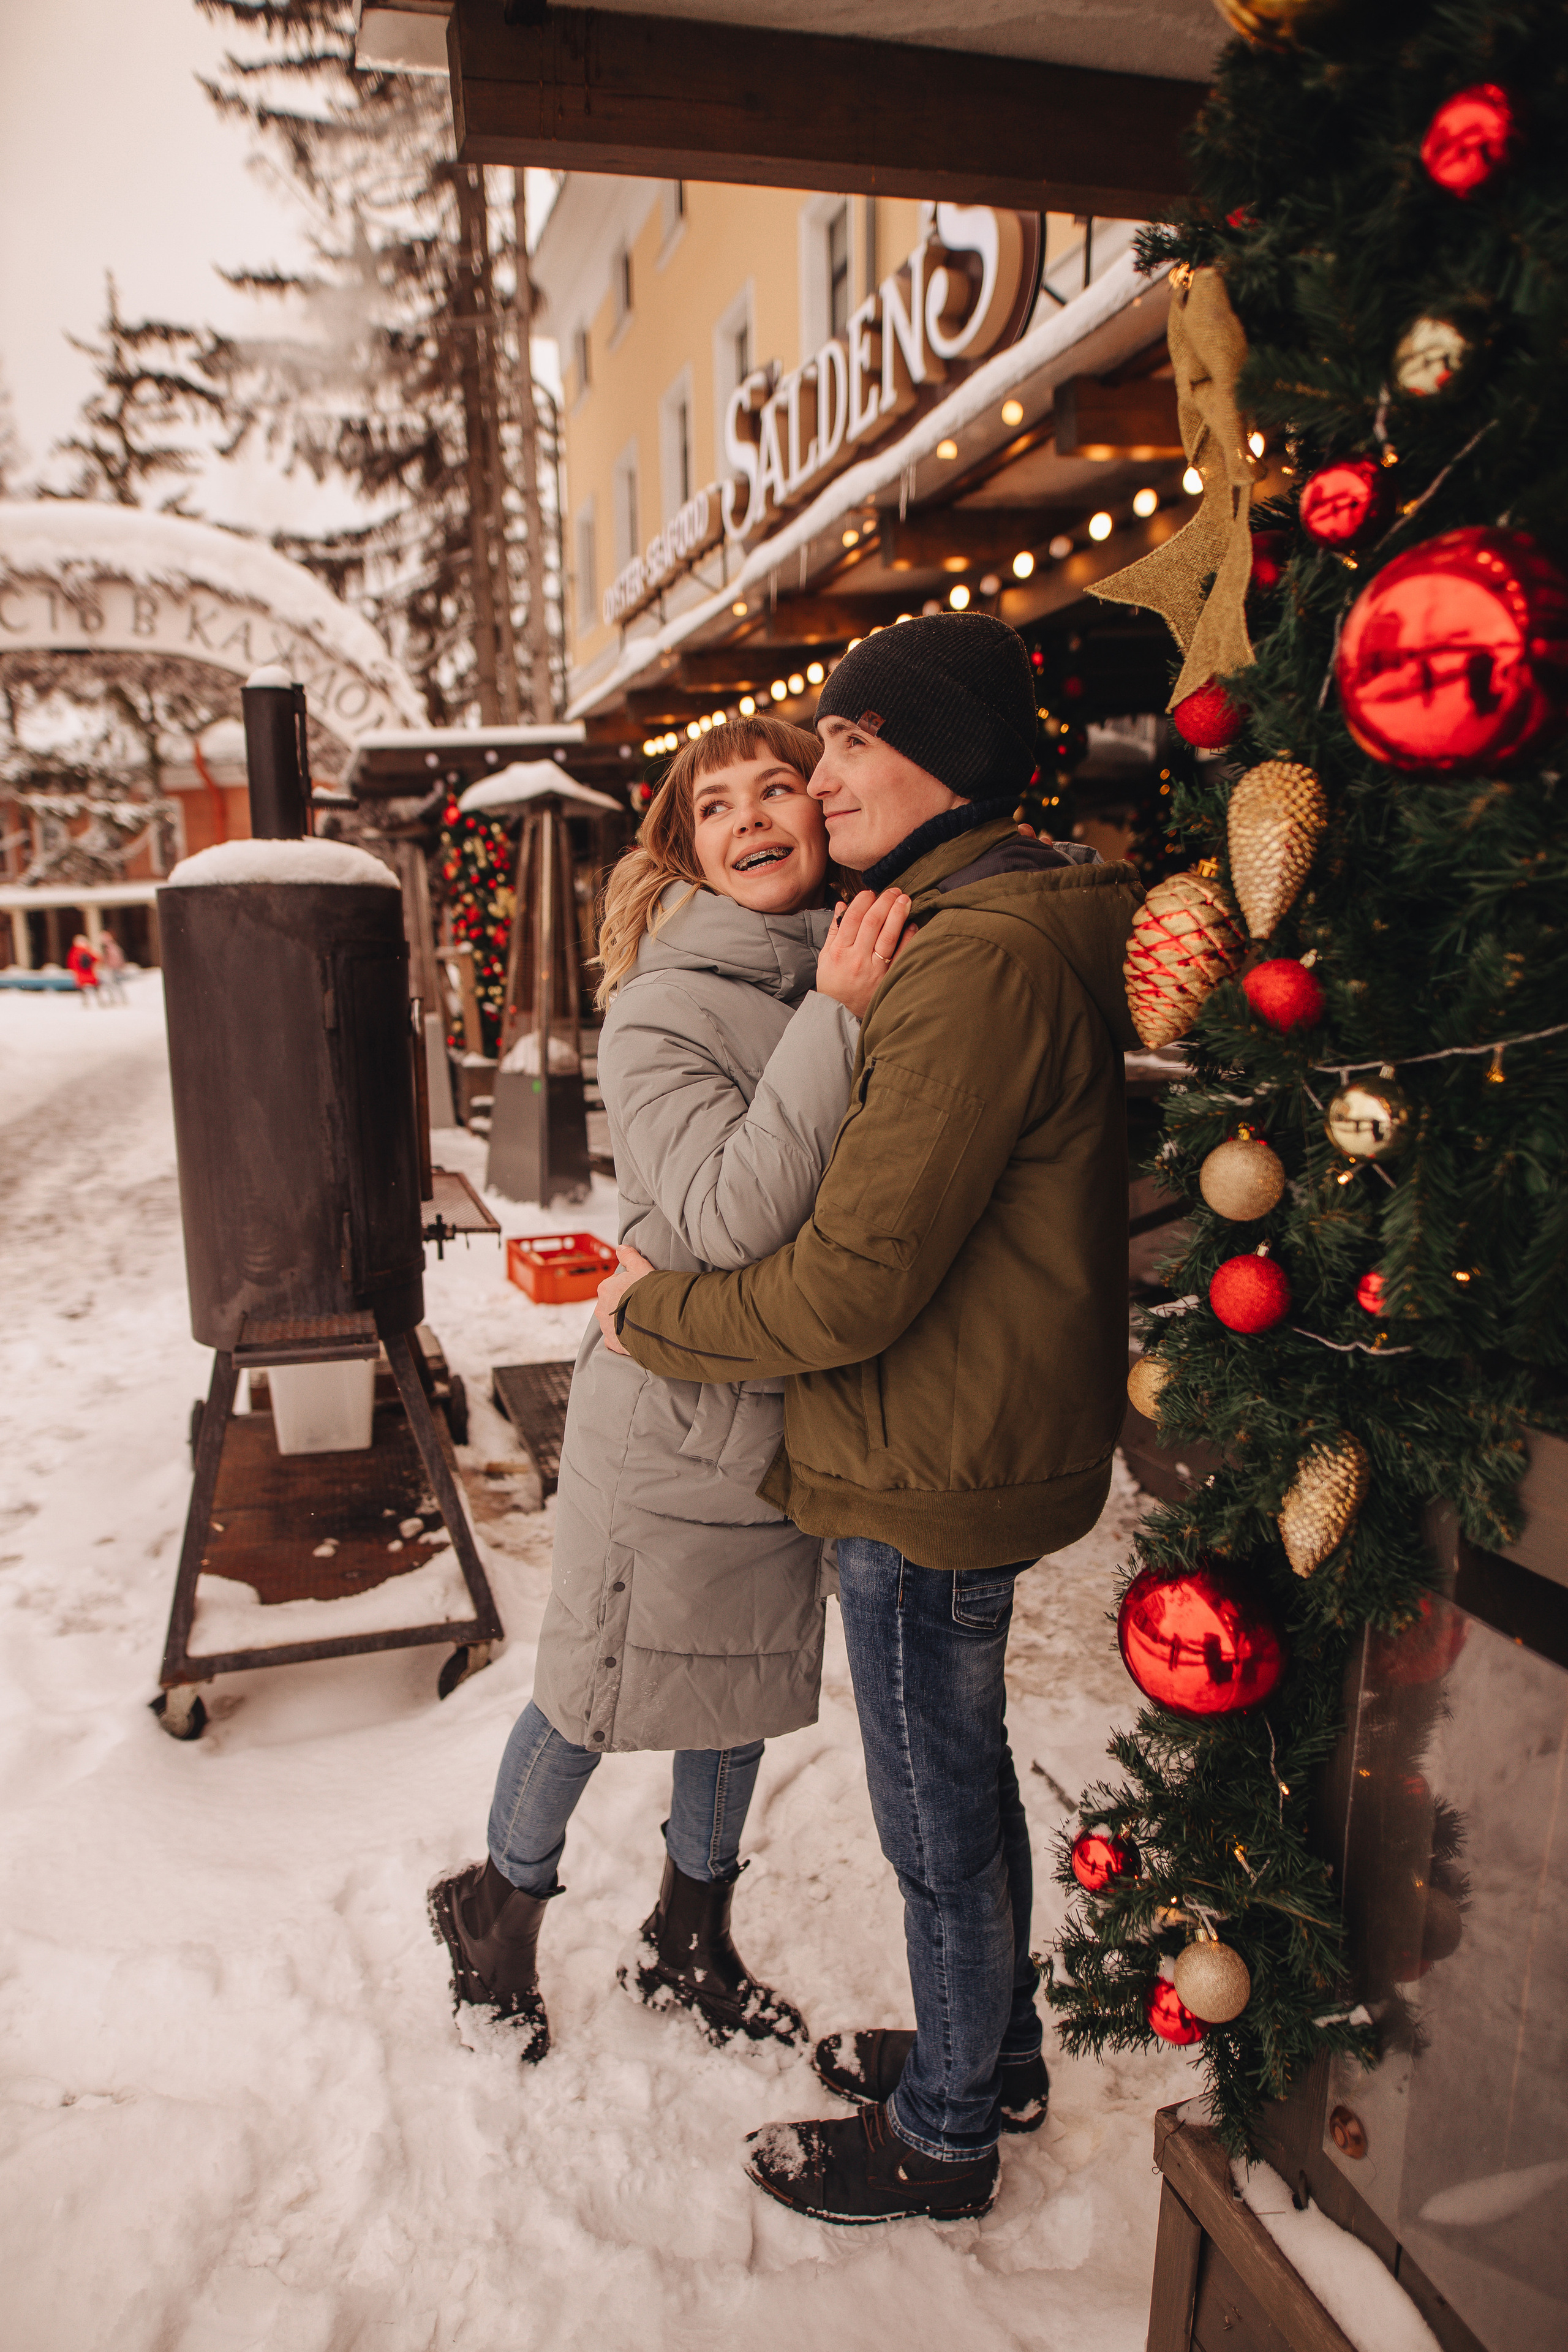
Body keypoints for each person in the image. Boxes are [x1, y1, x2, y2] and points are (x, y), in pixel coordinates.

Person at [596, 614, 1143, 2226]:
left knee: (932, 1818)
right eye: (816, 744)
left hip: (928, 1451)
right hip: (948, 1428)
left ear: (947, 756)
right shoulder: (965, 915)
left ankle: (949, 2135)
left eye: (849, 741)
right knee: (958, 1784)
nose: (819, 777)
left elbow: (847, 1288)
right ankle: (997, 2049)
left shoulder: (972, 955)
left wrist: (652, 1312)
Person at [429, 715, 911, 2064]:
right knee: (588, 1688)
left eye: (776, 792)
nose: (752, 819)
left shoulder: (848, 970)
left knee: (743, 1691)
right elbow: (714, 1214)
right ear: (684, 844)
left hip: (785, 1412)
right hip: (665, 1415)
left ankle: (689, 1937)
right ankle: (494, 1912)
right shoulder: (660, 1004)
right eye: (716, 806)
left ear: (821, 819)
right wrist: (836, 1016)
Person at [67, 932, 99, 1005]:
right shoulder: (87, 951)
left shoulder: (74, 951)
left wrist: (75, 971)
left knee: (83, 989)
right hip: (90, 974)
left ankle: (85, 1002)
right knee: (95, 988)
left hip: (80, 975)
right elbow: (97, 959)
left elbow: (71, 963)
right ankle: (99, 1001)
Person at [98, 929, 129, 1003]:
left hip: (113, 968)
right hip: (112, 968)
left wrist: (116, 966)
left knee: (115, 984)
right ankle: (117, 999)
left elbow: (117, 958)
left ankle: (120, 999)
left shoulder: (110, 948)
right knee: (113, 984)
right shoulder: (111, 947)